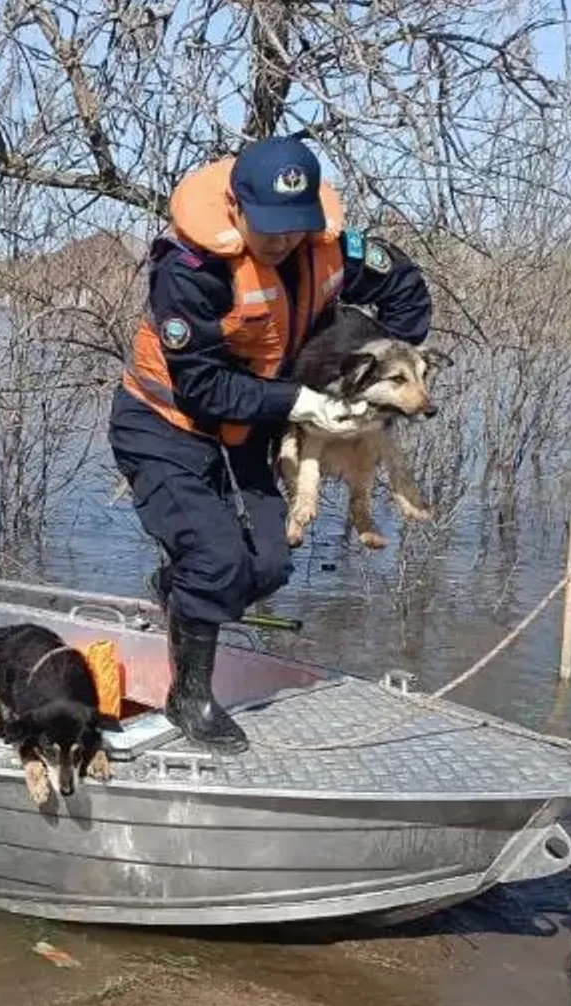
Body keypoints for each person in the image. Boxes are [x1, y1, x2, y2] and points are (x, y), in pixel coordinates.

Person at [109, 134, 433, 753]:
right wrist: (305, 402)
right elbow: (202, 387)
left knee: (271, 563)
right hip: (165, 427)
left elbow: (407, 292)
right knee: (217, 560)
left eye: (295, 227)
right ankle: (189, 698)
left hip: (247, 433)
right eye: (269, 227)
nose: (283, 241)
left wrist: (367, 369)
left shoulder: (336, 250)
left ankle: (179, 589)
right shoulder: (191, 272)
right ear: (235, 209)